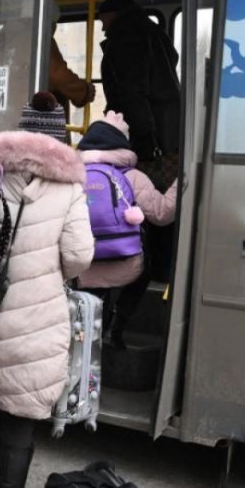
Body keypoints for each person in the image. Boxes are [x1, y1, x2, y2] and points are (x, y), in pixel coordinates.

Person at [0, 91, 94, 488]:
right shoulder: (69, 189)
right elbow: (79, 258)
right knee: (19, 417)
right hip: (38, 322)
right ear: (59, 139)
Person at [76, 111, 178, 348]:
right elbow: (162, 215)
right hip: (126, 264)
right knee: (145, 270)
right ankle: (116, 324)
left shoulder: (72, 177)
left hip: (80, 267)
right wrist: (182, 180)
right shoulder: (132, 177)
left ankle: (89, 331)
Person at [98, 0, 180, 170]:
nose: (103, 30)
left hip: (150, 133)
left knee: (145, 189)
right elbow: (173, 58)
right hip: (170, 127)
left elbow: (132, 90)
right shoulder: (154, 31)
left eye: (103, 22)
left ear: (113, 14)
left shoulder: (124, 36)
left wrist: (144, 140)